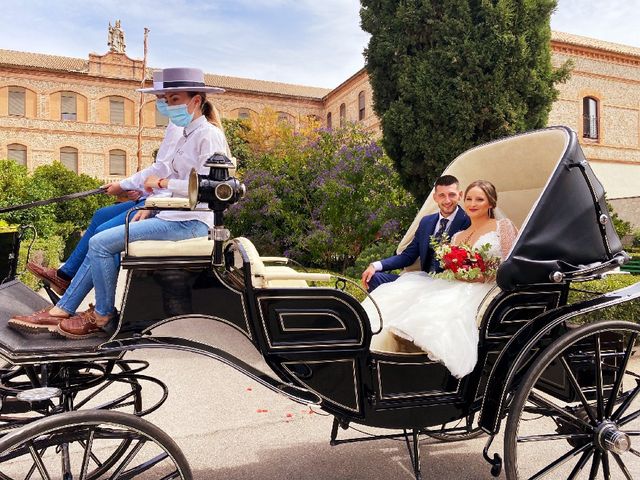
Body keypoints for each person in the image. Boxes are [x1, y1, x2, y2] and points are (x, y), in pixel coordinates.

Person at [10, 67, 228, 339]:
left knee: (100, 242)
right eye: (167, 100)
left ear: (196, 101)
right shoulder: (187, 134)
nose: (168, 106)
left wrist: (160, 187)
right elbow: (168, 174)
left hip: (190, 223)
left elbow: (211, 188)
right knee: (102, 238)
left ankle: (101, 315)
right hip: (171, 216)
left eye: (174, 99)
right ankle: (66, 309)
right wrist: (153, 199)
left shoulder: (208, 135)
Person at [26, 70, 184, 296]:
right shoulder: (175, 126)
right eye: (160, 98)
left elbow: (163, 171)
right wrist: (139, 190)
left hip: (164, 206)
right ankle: (65, 275)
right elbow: (164, 174)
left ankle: (94, 305)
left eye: (167, 98)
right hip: (155, 198)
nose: (162, 103)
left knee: (103, 233)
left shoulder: (180, 128)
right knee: (101, 215)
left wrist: (125, 186)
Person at [362, 180, 518, 379]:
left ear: (491, 203)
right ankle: (380, 346)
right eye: (469, 199)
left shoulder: (502, 226)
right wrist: (458, 272)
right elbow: (423, 259)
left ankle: (423, 362)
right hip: (453, 281)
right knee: (399, 293)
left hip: (486, 286)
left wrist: (483, 275)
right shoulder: (459, 236)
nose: (473, 203)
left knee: (436, 310)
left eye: (480, 199)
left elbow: (512, 263)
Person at [361, 175, 470, 292]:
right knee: (374, 278)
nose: (447, 200)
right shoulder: (426, 222)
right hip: (422, 281)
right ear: (435, 197)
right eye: (442, 195)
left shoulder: (468, 221)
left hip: (447, 287)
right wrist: (375, 265)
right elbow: (408, 256)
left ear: (460, 195)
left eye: (452, 195)